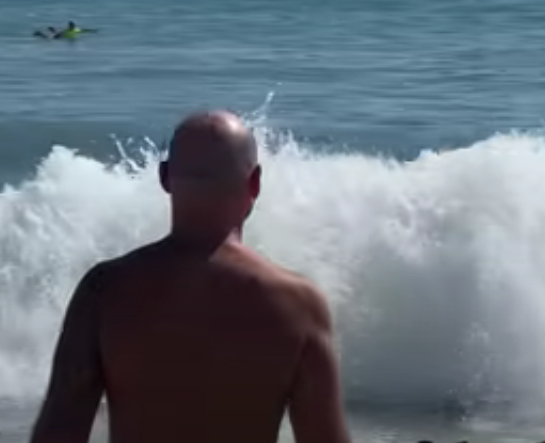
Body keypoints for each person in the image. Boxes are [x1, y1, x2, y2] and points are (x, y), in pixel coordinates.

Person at [29, 110, 350, 443]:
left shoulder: (104, 291)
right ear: (254, 183)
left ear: (165, 177)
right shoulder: (298, 304)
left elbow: (59, 432)